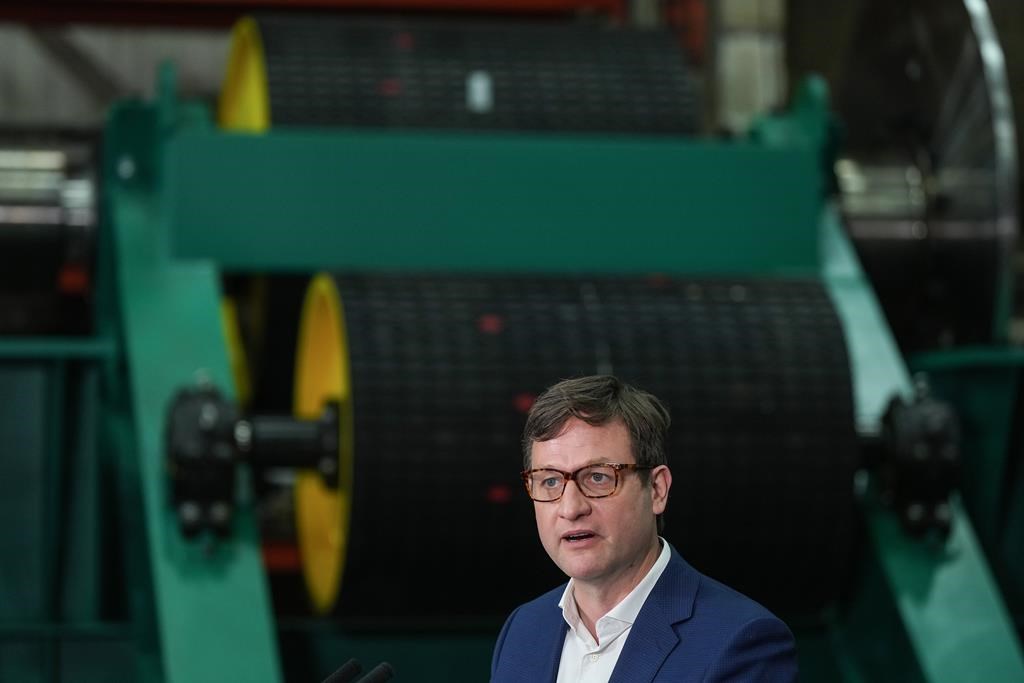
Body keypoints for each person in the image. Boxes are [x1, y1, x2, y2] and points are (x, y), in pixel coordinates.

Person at [491, 375, 797, 682]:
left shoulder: (742, 641)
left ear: (657, 489)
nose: (571, 508)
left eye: (598, 477)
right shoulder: (523, 630)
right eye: (550, 481)